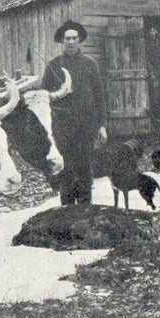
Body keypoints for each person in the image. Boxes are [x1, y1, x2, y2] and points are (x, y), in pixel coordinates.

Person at [41, 20, 108, 205]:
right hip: (62, 129)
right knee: (66, 170)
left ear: (80, 41)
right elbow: (43, 97)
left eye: (74, 38)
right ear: (62, 41)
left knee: (85, 168)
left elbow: (100, 98)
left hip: (86, 127)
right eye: (67, 39)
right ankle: (67, 211)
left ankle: (86, 209)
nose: (70, 42)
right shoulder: (53, 65)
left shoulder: (90, 64)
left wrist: (102, 126)